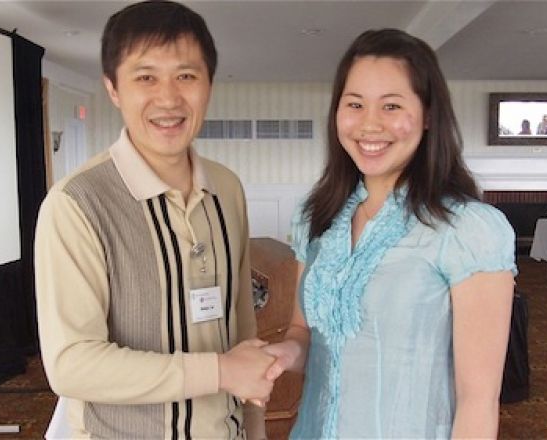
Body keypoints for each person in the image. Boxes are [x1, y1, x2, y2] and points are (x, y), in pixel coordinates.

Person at [262, 29, 517, 439]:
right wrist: (281, 353)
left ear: (429, 114)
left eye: (392, 105)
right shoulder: (318, 217)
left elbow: (479, 400)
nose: (370, 124)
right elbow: (303, 332)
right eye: (355, 104)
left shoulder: (468, 230)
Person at [34, 1, 271, 438]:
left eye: (186, 76)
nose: (168, 98)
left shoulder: (226, 188)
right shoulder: (77, 203)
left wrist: (253, 427)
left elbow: (241, 324)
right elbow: (72, 365)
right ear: (113, 89)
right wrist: (219, 372)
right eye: (145, 77)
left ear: (208, 84)